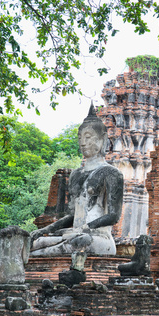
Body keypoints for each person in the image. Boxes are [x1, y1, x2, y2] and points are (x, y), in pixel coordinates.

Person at [30, 104, 124, 256]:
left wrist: (87, 227)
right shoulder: (75, 175)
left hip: (98, 236)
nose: (83, 143)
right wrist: (46, 229)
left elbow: (113, 216)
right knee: (35, 242)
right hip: (74, 233)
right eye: (80, 138)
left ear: (102, 140)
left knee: (79, 242)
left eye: (88, 138)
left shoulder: (112, 173)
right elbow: (72, 216)